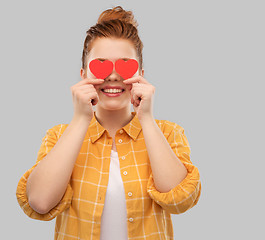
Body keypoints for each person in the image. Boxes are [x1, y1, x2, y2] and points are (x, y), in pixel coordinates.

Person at [16, 5, 201, 240]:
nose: (113, 76)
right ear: (83, 75)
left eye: (125, 64)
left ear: (141, 73)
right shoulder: (58, 136)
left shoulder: (168, 132)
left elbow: (180, 200)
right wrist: (81, 118)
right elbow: (40, 202)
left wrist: (146, 118)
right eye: (101, 64)